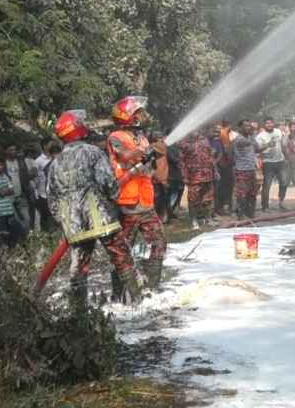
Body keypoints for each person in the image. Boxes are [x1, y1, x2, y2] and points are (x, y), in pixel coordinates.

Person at [48, 110, 143, 307]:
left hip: (74, 226)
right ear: (78, 128)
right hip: (101, 219)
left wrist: (66, 220)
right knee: (121, 256)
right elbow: (109, 184)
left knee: (80, 265)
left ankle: (79, 310)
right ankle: (136, 302)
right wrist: (114, 199)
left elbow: (52, 199)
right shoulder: (93, 153)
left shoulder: (55, 163)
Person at [106, 96, 168, 296]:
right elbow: (127, 156)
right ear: (128, 116)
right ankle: (121, 294)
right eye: (137, 112)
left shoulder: (141, 137)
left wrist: (156, 152)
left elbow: (148, 162)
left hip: (146, 202)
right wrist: (149, 151)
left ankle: (152, 287)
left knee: (159, 243)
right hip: (127, 204)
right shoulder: (116, 136)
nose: (142, 115)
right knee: (123, 251)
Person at [179, 129, 217, 229]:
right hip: (194, 176)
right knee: (193, 200)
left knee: (208, 198)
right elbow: (181, 161)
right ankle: (193, 221)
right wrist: (184, 176)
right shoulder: (184, 143)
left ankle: (208, 219)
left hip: (207, 174)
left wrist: (215, 171)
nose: (196, 131)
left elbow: (210, 157)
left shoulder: (204, 140)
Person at [231, 119, 264, 219]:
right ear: (239, 128)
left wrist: (268, 145)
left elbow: (257, 149)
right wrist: (253, 133)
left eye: (249, 126)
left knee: (252, 192)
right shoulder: (239, 139)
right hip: (241, 170)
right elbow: (248, 143)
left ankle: (250, 213)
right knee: (242, 194)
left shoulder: (250, 138)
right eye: (245, 126)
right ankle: (240, 214)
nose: (248, 127)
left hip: (251, 169)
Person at [256, 117, 288, 212]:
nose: (269, 125)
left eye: (271, 123)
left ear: (273, 123)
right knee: (267, 185)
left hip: (280, 161)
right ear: (264, 125)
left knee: (284, 182)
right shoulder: (260, 136)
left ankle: (281, 202)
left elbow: (283, 145)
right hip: (268, 163)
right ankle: (265, 207)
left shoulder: (278, 132)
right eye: (267, 123)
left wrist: (286, 156)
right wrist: (267, 145)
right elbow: (257, 150)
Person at [4, 144, 36, 237]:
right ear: (6, 151)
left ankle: (27, 238)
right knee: (15, 220)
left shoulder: (21, 162)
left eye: (14, 150)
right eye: (11, 150)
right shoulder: (3, 164)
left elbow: (25, 176)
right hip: (9, 197)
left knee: (27, 218)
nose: (13, 152)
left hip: (21, 195)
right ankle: (21, 238)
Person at [34, 140, 61, 234]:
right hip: (44, 194)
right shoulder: (39, 161)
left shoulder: (59, 161)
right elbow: (36, 178)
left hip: (58, 193)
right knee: (47, 217)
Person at [215, 120, 234, 216]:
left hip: (224, 165)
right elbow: (226, 151)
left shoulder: (223, 134)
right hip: (223, 165)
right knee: (223, 187)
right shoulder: (224, 133)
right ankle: (221, 208)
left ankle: (223, 207)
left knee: (224, 187)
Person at [285, 121, 295, 187]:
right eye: (293, 127)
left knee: (293, 170)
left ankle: (290, 183)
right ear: (290, 127)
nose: (294, 128)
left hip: (294, 154)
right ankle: (292, 183)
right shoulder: (289, 134)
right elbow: (287, 145)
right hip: (291, 154)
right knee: (291, 170)